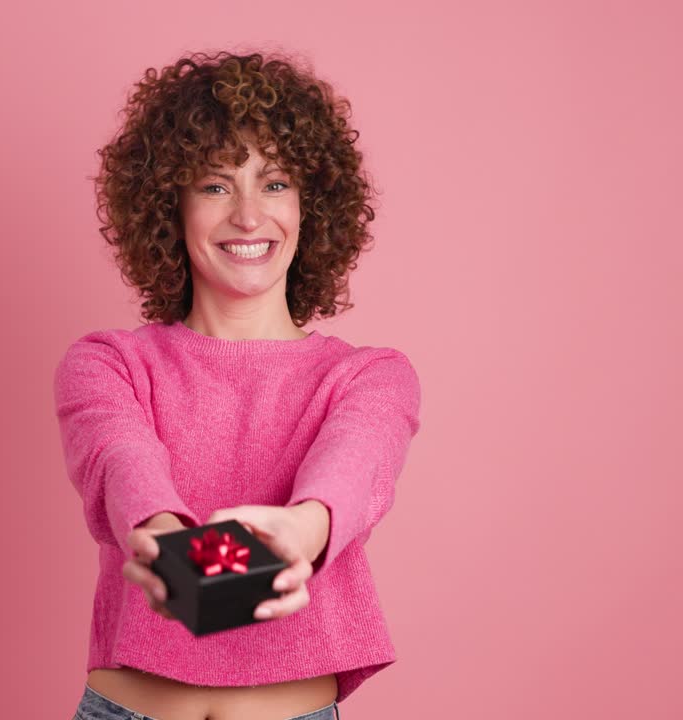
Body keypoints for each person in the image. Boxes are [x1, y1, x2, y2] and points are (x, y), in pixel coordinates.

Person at [55, 50, 422, 720]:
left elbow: (356, 464)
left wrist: (304, 529)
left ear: (312, 207)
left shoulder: (371, 376)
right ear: (170, 207)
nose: (250, 217)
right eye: (216, 186)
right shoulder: (106, 363)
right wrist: (166, 546)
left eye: (275, 183)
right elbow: (120, 461)